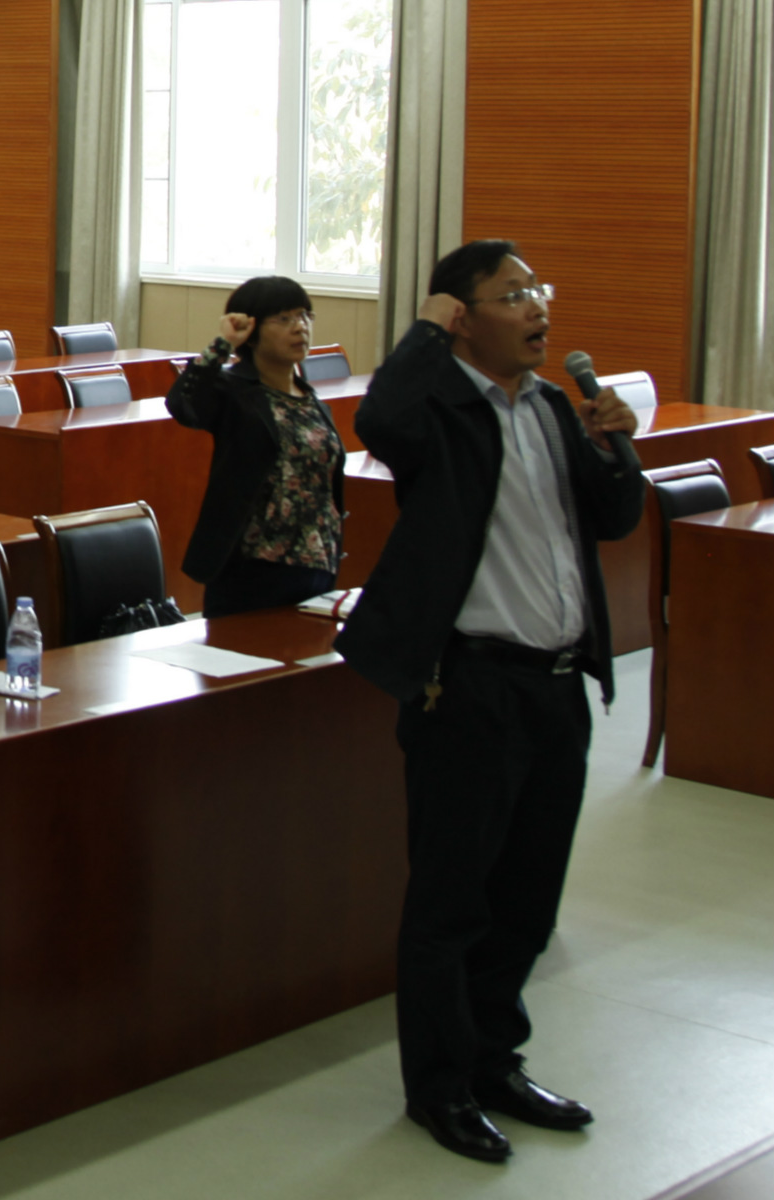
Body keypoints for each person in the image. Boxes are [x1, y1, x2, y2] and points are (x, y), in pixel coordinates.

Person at [342, 240, 644, 1166]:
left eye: (536, 290)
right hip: (467, 686)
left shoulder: (551, 406)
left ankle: (493, 1061)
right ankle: (438, 1087)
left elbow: (614, 517)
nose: (535, 308)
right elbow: (378, 419)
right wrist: (422, 332)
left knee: (526, 897)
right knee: (452, 900)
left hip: (556, 685)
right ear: (462, 317)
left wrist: (617, 444)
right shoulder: (435, 411)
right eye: (511, 295)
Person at [167, 276, 347, 617]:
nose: (300, 327)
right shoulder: (234, 393)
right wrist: (223, 343)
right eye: (284, 318)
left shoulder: (312, 400)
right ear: (251, 331)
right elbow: (182, 403)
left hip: (316, 564)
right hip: (252, 570)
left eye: (305, 316)